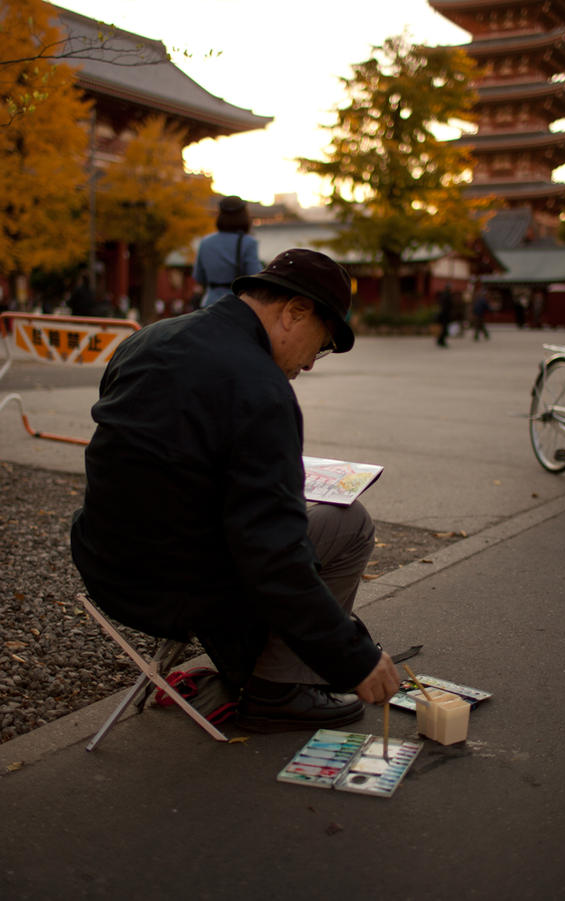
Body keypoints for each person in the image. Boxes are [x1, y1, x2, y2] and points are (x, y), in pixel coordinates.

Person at [71, 248, 400, 733]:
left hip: (105, 558)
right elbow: (272, 556)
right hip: (182, 587)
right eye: (322, 343)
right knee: (348, 522)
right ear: (294, 312)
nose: (311, 363)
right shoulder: (260, 388)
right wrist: (352, 655)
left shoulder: (149, 339)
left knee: (285, 520)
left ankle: (258, 665)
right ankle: (276, 690)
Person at [192, 195, 262, 309]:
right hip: (236, 305)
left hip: (209, 304)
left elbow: (199, 277)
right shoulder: (248, 242)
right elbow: (254, 276)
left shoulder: (206, 242)